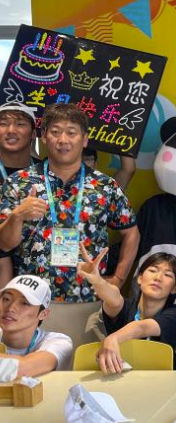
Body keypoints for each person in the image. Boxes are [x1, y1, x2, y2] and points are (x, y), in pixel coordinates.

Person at [0, 103, 140, 348]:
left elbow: (131, 233)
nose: (62, 139)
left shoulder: (104, 186)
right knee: (34, 378)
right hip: (32, 304)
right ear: (43, 137)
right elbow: (4, 243)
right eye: (55, 132)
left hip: (88, 301)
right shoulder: (18, 183)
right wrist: (17, 215)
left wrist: (117, 278)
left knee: (83, 374)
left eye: (71, 132)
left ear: (84, 139)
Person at [78, 247, 176, 373]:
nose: (158, 277)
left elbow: (142, 327)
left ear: (175, 288)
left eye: (168, 275)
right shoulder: (126, 307)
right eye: (152, 270)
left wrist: (113, 338)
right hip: (116, 378)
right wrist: (98, 281)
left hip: (158, 382)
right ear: (140, 278)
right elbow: (114, 298)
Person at [0, 102, 41, 288]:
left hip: (34, 276)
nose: (10, 130)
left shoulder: (49, 172)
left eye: (20, 124)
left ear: (33, 133)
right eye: (3, 123)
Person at [0, 275, 73, 375]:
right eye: (6, 299)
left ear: (43, 314)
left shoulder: (59, 341)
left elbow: (23, 368)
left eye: (24, 303)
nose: (10, 308)